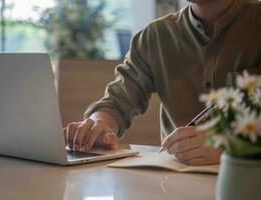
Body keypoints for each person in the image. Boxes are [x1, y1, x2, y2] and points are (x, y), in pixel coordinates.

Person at [62, 0, 261, 166]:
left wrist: (232, 147)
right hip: (174, 184)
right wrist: (97, 126)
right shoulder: (154, 36)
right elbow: (117, 101)